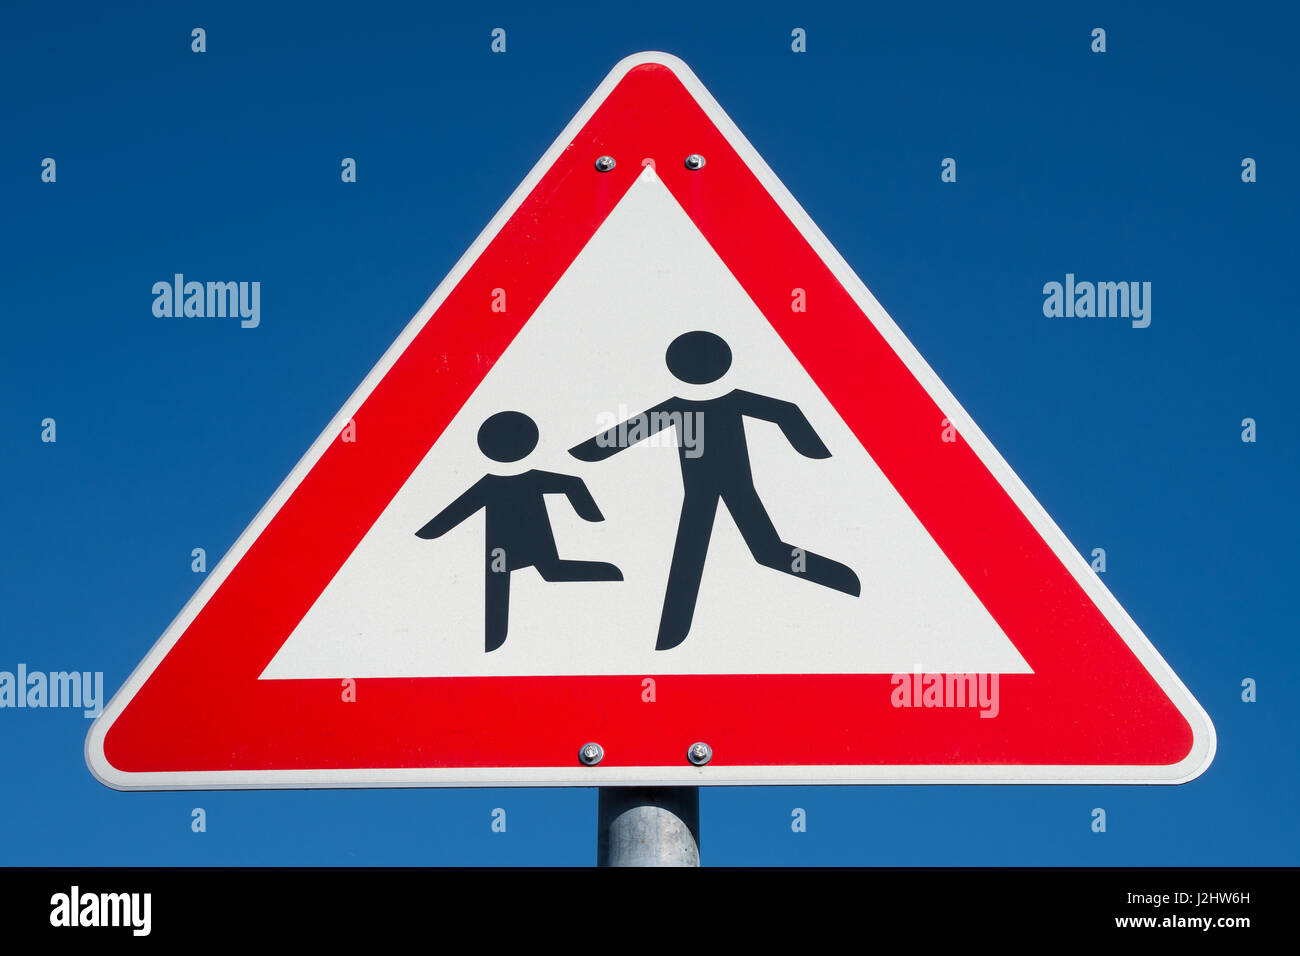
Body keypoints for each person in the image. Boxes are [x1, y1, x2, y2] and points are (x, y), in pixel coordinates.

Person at [570, 331, 859, 650]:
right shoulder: (683, 408)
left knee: (752, 551)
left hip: (733, 488)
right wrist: (585, 452)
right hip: (701, 492)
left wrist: (816, 451)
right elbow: (785, 412)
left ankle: (842, 578)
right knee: (708, 554)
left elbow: (784, 412)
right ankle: (670, 635)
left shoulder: (698, 406)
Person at [417, 411, 622, 652]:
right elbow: (572, 484)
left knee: (545, 573)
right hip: (507, 546)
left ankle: (610, 573)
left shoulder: (495, 484)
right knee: (507, 586)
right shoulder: (501, 483)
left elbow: (571, 484)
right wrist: (590, 515)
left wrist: (430, 532)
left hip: (521, 542)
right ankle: (493, 642)